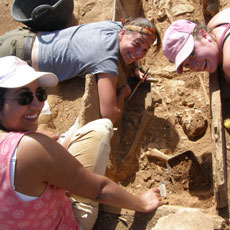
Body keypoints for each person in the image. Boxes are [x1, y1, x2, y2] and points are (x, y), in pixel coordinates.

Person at [0, 56, 161, 230]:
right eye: (24, 97)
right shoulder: (30, 149)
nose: (37, 104)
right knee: (102, 127)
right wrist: (142, 204)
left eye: (40, 94)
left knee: (69, 134)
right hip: (65, 222)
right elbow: (99, 190)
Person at [0, 17, 161, 124]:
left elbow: (133, 47)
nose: (139, 53)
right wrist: (123, 94)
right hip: (16, 59)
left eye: (145, 50)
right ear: (124, 33)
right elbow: (109, 114)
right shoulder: (106, 60)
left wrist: (136, 66)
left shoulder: (116, 26)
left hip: (20, 37)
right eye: (137, 44)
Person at [162, 8, 230, 84]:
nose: (194, 67)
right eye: (187, 65)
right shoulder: (216, 24)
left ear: (204, 35)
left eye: (192, 54)